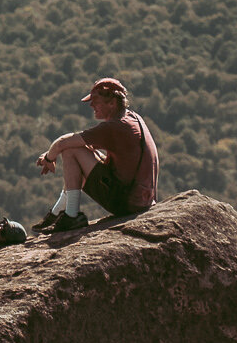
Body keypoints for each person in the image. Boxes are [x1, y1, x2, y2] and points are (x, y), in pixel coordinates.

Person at [32, 76, 160, 232]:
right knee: (78, 149)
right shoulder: (132, 118)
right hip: (141, 199)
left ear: (112, 103)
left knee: (71, 151)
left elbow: (62, 143)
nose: (91, 105)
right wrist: (55, 151)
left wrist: (48, 158)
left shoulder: (114, 127)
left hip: (128, 202)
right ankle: (57, 212)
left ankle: (71, 215)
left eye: (96, 101)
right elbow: (75, 144)